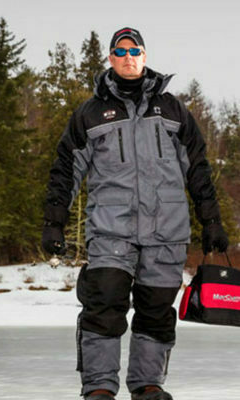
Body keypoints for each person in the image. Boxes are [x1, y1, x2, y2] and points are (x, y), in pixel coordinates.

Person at [42, 27, 228, 400]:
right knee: (104, 305)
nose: (128, 57)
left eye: (135, 50)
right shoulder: (90, 113)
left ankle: (147, 384)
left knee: (156, 312)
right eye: (120, 51)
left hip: (167, 233)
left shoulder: (173, 109)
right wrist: (54, 221)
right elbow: (66, 169)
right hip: (111, 231)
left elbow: (198, 169)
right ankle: (98, 388)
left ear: (144, 56)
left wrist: (212, 221)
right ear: (111, 58)